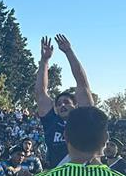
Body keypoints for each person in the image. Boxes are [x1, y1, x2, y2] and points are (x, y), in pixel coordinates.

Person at [34, 34, 96, 167]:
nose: (62, 105)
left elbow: (82, 83)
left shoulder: (84, 118)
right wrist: (44, 60)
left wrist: (68, 52)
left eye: (67, 102)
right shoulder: (51, 122)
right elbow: (40, 93)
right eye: (59, 104)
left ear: (76, 105)